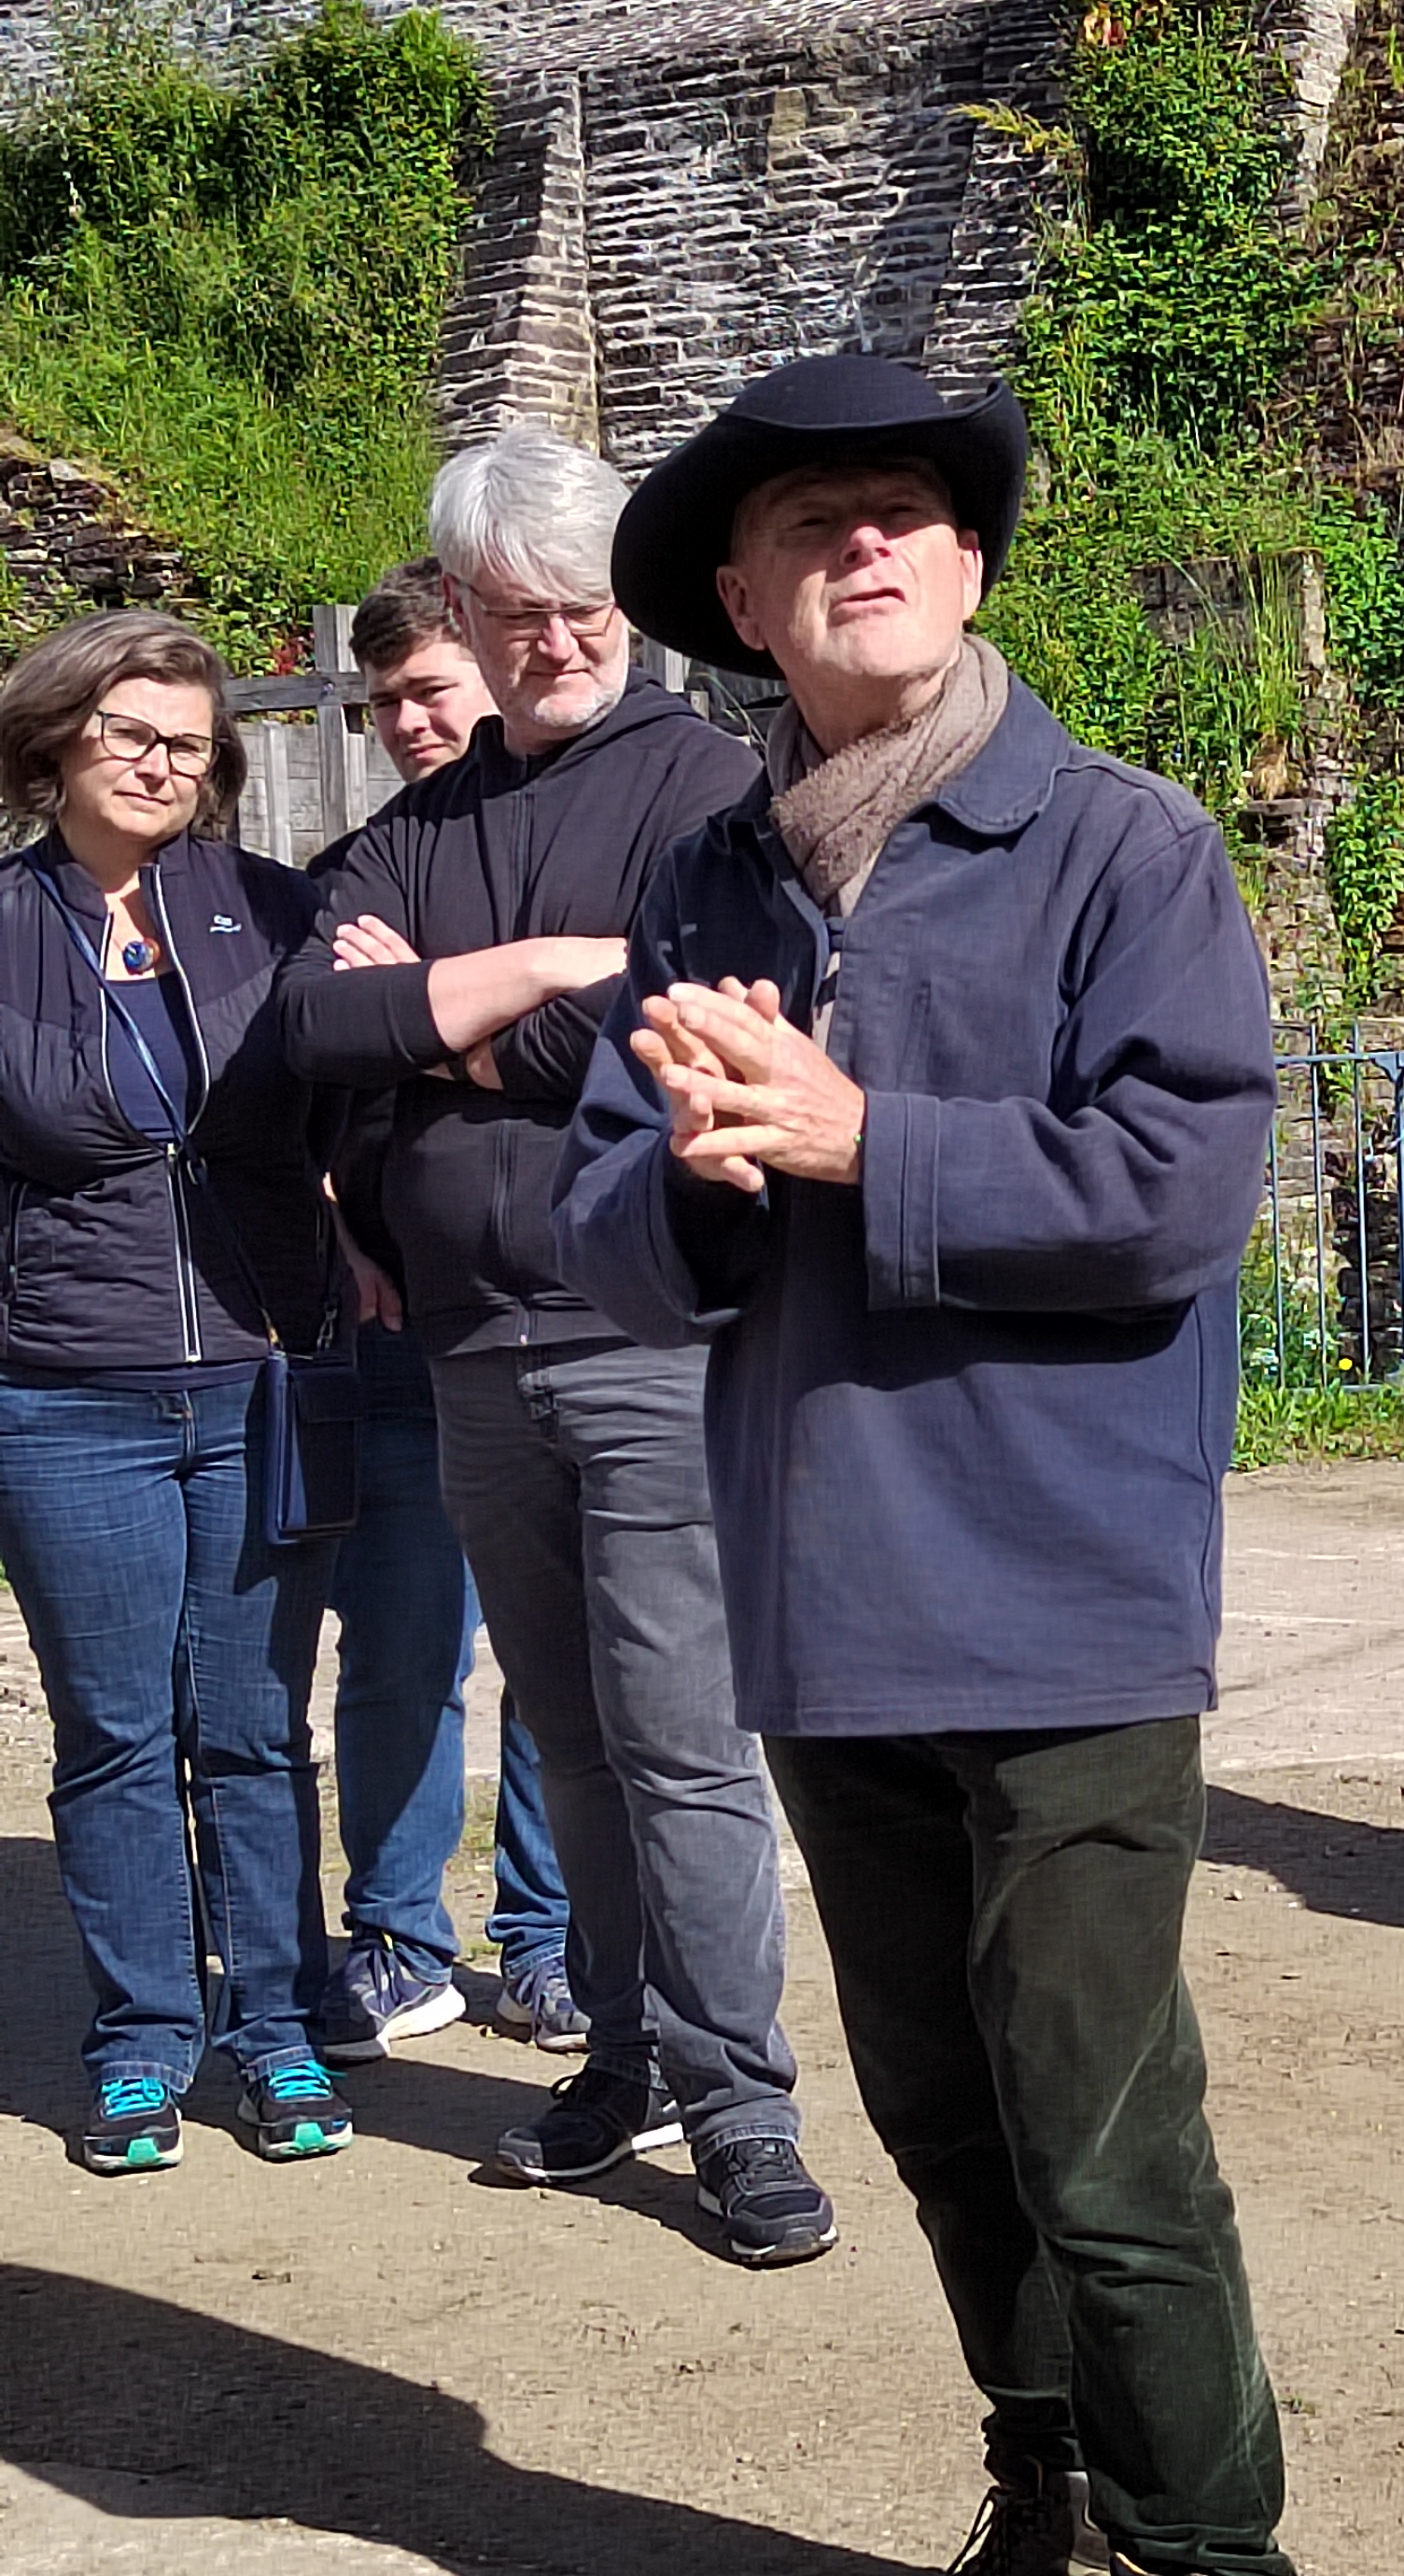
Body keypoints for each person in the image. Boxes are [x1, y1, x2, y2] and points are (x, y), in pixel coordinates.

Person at [555, 352, 1299, 2576]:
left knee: (1101, 2122)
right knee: (945, 2116)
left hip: (1064, 1594)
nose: (863, 547)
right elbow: (612, 1232)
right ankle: (1048, 2528)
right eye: (810, 528)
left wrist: (861, 1135)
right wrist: (702, 1167)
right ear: (742, 605)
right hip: (823, 1597)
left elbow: (1175, 1188)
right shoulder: (709, 885)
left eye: (903, 513)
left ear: (969, 567)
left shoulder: (1119, 845)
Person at [279, 425, 839, 2269]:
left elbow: (678, 1024)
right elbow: (313, 1026)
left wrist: (444, 1021)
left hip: (654, 1330)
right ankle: (623, 2053)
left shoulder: (707, 787)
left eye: (585, 603)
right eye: (518, 612)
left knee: (680, 1743)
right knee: (573, 1743)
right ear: (463, 610)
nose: (560, 640)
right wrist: (537, 975)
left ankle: (742, 2108)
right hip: (468, 1346)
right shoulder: (415, 822)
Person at [0, 610, 347, 2173]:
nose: (161, 764)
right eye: (132, 732)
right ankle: (143, 2042)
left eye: (191, 746)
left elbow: (349, 1098)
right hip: (66, 1393)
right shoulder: (4, 925)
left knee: (259, 1729)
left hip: (261, 1379)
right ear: (59, 736)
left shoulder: (271, 910)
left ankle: (278, 2030)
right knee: (116, 1734)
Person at [316, 560, 583, 2061]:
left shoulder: (576, 854)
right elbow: (310, 1066)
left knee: (555, 1656)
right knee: (405, 1645)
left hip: (551, 1299)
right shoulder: (356, 869)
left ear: (490, 666)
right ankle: (399, 1940)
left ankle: (546, 1941)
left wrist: (421, 1000)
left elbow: (606, 1039)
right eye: (385, 703)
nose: (411, 721)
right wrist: (336, 1220)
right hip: (398, 1321)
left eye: (431, 690)